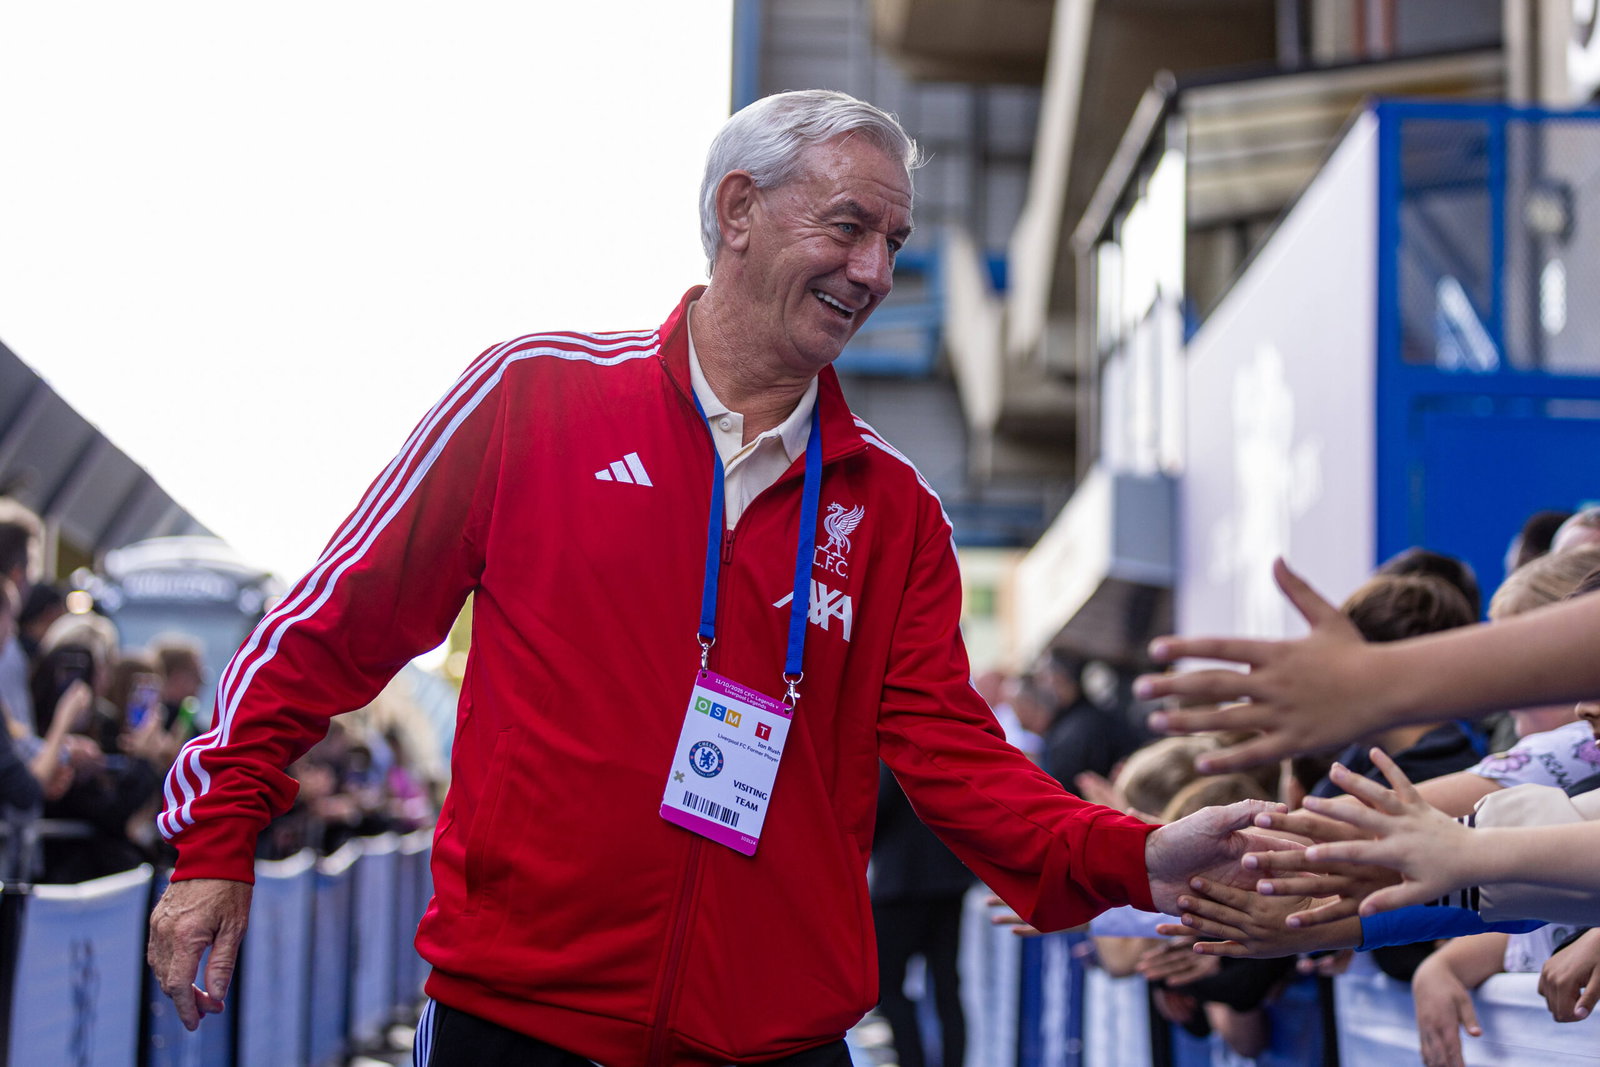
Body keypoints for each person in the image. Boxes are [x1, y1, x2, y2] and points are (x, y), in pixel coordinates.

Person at [145, 90, 1279, 1065]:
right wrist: (215, 840)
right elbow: (330, 624)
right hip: (516, 1024)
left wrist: (1136, 853)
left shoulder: (892, 513)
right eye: (847, 226)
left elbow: (963, 766)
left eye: (893, 239)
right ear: (738, 210)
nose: (875, 270)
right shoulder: (533, 398)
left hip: (776, 1042)